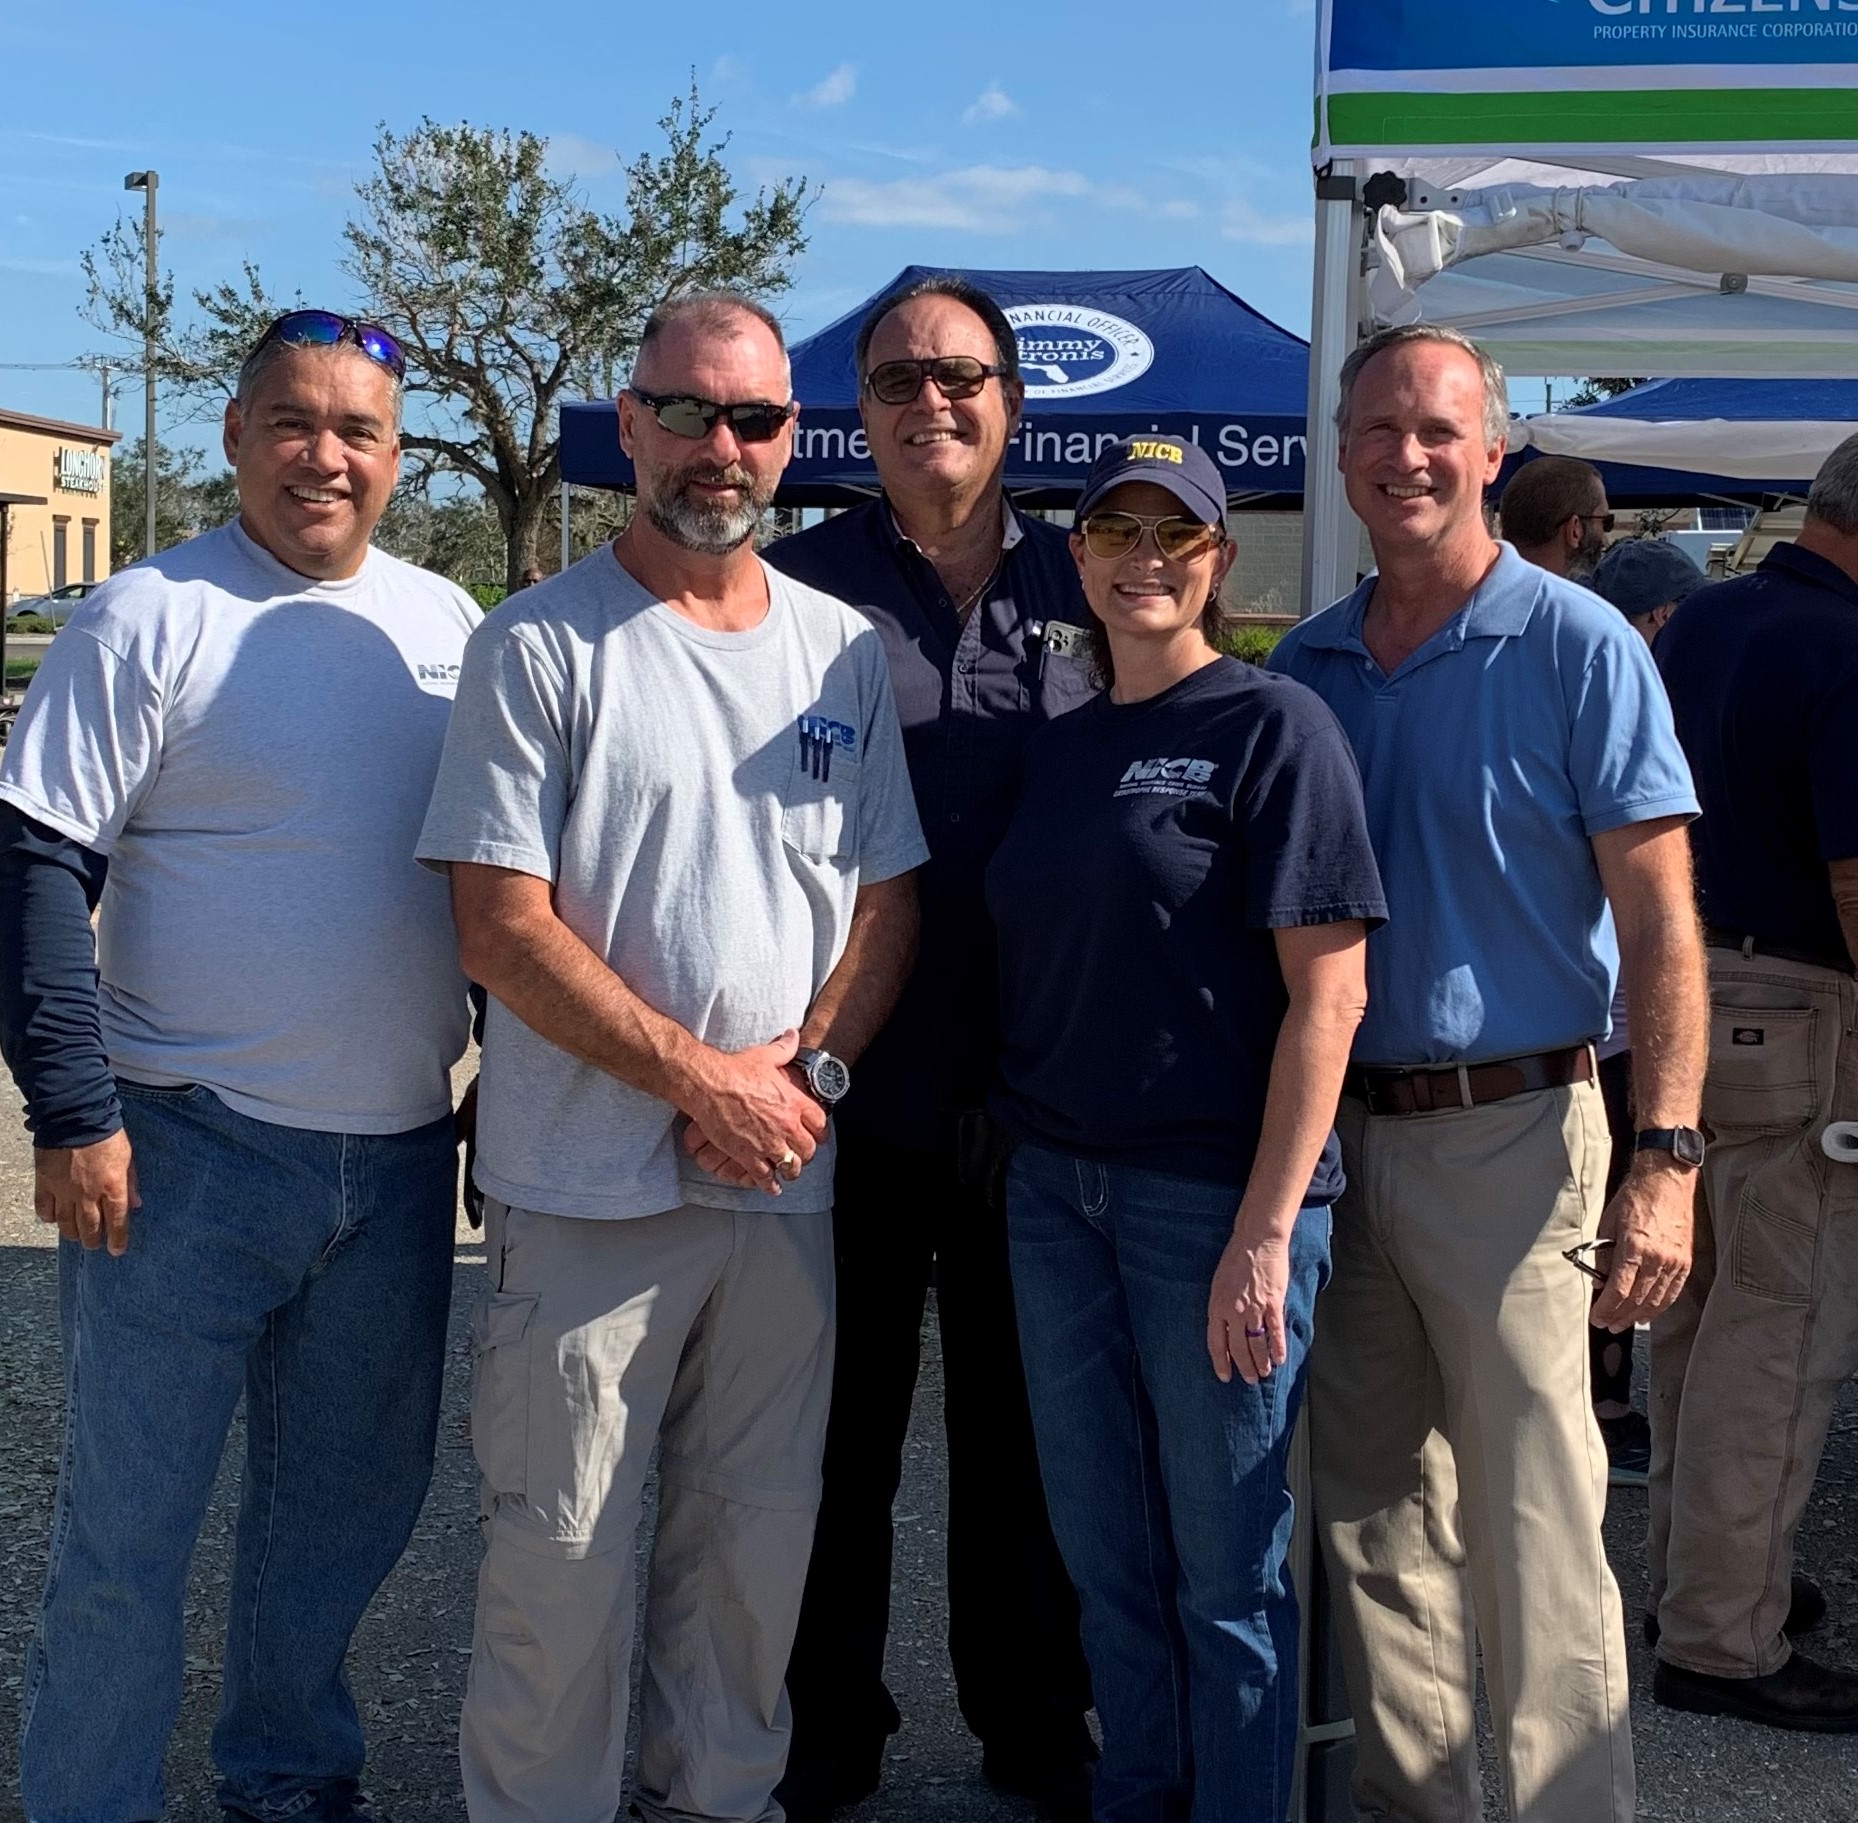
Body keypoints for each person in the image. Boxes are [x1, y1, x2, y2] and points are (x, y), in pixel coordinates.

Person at [416, 291, 927, 1823]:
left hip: (782, 1184)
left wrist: (805, 1078)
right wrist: (702, 1080)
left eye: (755, 419)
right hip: (587, 1192)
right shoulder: (540, 645)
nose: (722, 447)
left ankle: (716, 1800)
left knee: (753, 1548)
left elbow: (889, 900)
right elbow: (498, 925)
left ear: (791, 441)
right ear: (628, 424)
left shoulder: (840, 652)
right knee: (558, 1559)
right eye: (690, 412)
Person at [0, 309, 481, 1823]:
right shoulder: (146, 615)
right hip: (181, 1147)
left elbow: (495, 884)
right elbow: (36, 866)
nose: (322, 456)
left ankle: (286, 1779)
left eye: (357, 431)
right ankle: (92, 1798)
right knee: (129, 1529)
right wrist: (73, 1112)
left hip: (395, 1160)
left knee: (335, 1522)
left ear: (399, 458)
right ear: (233, 433)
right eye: (291, 421)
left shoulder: (449, 624)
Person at [1270, 324, 1708, 1823]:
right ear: (1340, 455)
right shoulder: (1311, 665)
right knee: (1376, 1520)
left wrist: (1667, 1154)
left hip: (1516, 1131)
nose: (1407, 455)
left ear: (1494, 452)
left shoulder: (1578, 646)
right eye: (1379, 428)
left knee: (1535, 1522)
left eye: (1439, 430)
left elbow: (1662, 920)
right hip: (1343, 1150)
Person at [989, 435, 1383, 1822]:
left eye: (1178, 534)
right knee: (1107, 1557)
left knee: (1230, 1576)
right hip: (1055, 1194)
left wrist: (1266, 1231)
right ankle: (1138, 1796)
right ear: (1079, 554)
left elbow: (1329, 999)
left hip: (1212, 1199)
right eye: (1117, 531)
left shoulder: (1274, 728)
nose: (1145, 557)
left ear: (1219, 562)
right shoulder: (1057, 745)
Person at [761, 274, 1098, 1822]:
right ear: (864, 411)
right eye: (897, 379)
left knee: (1026, 1444)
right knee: (837, 1444)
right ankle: (827, 1729)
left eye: (960, 375)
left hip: (1044, 1098)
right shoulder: (793, 590)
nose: (928, 402)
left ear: (1012, 404)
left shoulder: (1100, 580)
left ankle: (1032, 1720)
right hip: (849, 1088)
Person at [1647, 419, 1858, 1732]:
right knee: (1785, 1331)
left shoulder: (1703, 624)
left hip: (1680, 992)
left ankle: (1706, 1582)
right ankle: (1727, 1634)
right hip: (1796, 1002)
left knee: (1699, 1315)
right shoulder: (1855, 653)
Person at [1585, 535, 1710, 1488]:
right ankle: (1608, 1402)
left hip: (1608, 1026)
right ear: (1665, 616)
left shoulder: (1608, 671)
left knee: (1610, 1219)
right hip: (1606, 1030)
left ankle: (1608, 1397)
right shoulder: (1625, 679)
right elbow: (1664, 918)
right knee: (1607, 1225)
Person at [1500, 454, 1612, 579]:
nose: (1605, 541)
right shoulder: (1579, 598)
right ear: (1575, 530)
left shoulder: (1479, 591)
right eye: (1606, 523)